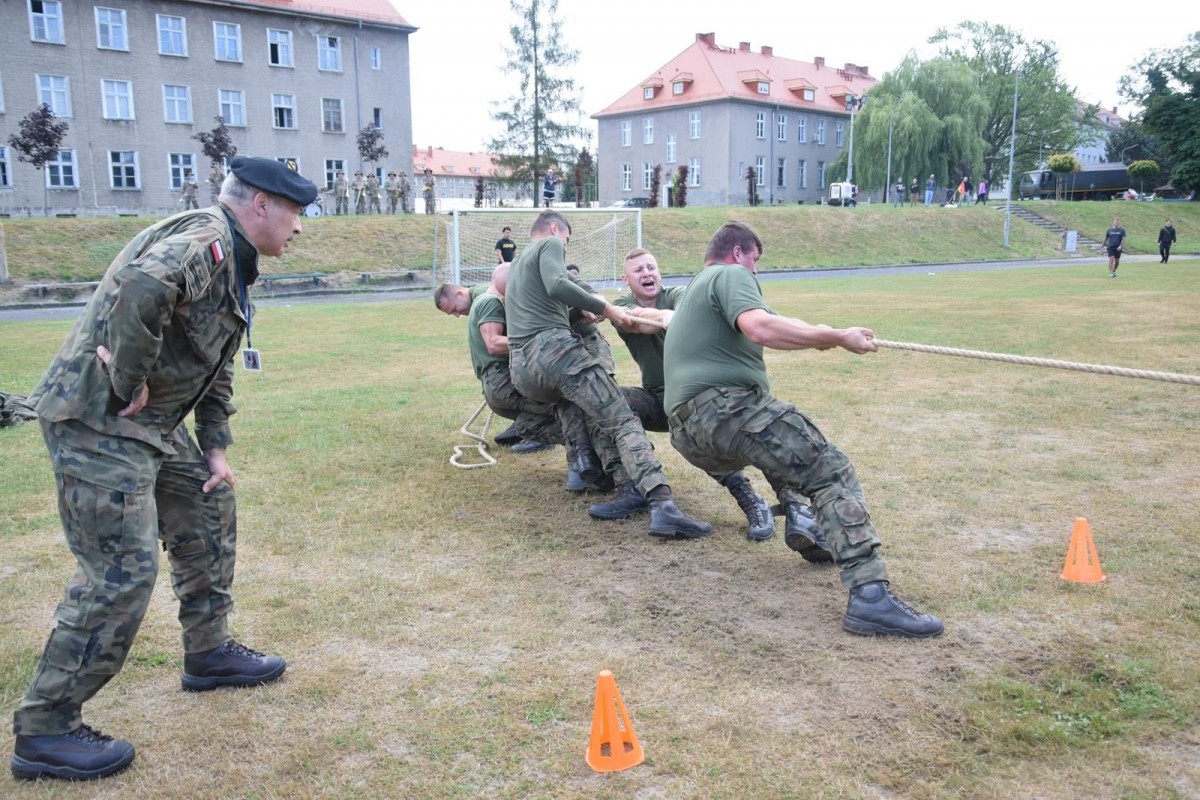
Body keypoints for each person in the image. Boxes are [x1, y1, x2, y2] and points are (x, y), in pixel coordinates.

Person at [10, 156, 318, 781]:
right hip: (99, 420)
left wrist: (215, 445)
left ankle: (208, 654)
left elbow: (215, 360)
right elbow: (145, 288)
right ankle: (45, 729)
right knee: (120, 573)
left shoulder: (232, 260)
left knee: (208, 501)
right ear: (260, 204)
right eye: (296, 213)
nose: (300, 228)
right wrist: (129, 378)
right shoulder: (205, 237)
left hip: (151, 428)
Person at [663, 221, 944, 639]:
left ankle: (817, 534)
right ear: (738, 253)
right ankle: (870, 597)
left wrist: (833, 335)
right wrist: (836, 338)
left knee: (785, 451)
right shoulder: (730, 275)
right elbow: (761, 327)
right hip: (724, 409)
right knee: (829, 470)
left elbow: (781, 320)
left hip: (691, 436)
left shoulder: (696, 289)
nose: (755, 273)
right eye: (755, 261)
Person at [504, 211, 711, 538]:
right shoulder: (549, 245)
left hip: (523, 370)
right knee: (621, 417)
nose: (565, 248)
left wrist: (579, 310)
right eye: (567, 241)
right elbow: (558, 284)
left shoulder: (516, 265)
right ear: (556, 229)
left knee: (586, 409)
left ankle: (614, 480)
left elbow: (544, 304)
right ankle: (661, 503)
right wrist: (606, 308)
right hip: (554, 352)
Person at [612, 248, 827, 547]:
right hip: (659, 398)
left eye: (651, 267)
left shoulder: (679, 294)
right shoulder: (621, 306)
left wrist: (823, 333)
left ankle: (792, 507)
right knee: (605, 400)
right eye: (639, 271)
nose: (647, 273)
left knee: (756, 429)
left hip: (704, 396)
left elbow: (691, 307)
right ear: (626, 279)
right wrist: (667, 317)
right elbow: (632, 320)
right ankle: (629, 484)